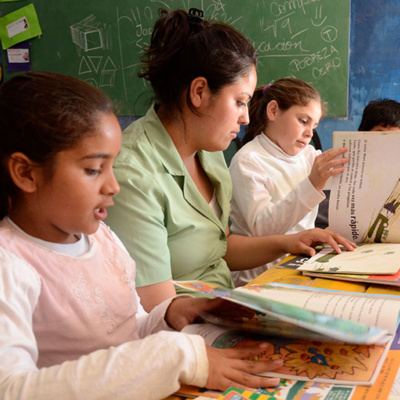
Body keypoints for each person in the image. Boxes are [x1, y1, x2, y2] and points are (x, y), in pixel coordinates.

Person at [0, 71, 289, 399]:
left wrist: (167, 315)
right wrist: (176, 354)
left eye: (112, 167)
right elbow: (11, 389)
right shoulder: (9, 265)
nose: (113, 186)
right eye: (94, 170)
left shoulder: (101, 239)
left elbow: (126, 327)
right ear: (26, 173)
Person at [106, 9, 356, 312]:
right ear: (199, 92)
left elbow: (219, 248)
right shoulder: (133, 175)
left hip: (223, 304)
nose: (247, 117)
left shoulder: (208, 153)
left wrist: (289, 242)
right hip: (182, 329)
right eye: (239, 101)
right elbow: (156, 311)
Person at [228, 78, 351, 286]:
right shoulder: (248, 160)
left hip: (300, 266)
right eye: (303, 121)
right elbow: (263, 229)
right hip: (259, 278)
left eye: (314, 125)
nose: (309, 133)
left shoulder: (308, 155)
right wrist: (312, 184)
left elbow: (342, 189)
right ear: (274, 111)